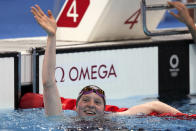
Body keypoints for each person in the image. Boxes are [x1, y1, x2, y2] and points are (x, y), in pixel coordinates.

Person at [30, 3, 189, 117]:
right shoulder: (61, 120)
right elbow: (48, 83)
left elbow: (154, 105)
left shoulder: (113, 120)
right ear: (76, 107)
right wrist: (52, 36)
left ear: (105, 109)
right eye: (85, 100)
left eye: (97, 102)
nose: (91, 104)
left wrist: (186, 119)